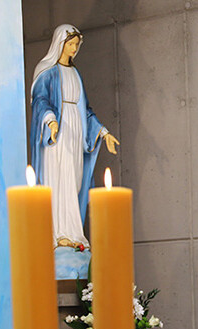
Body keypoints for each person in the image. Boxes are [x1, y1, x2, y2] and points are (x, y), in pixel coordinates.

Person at [30, 24, 119, 249]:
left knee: (74, 180)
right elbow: (40, 99)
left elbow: (86, 110)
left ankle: (74, 232)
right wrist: (50, 120)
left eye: (76, 45)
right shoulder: (47, 70)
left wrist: (104, 133)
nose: (74, 48)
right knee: (59, 179)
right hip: (56, 133)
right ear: (59, 44)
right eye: (70, 44)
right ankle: (58, 233)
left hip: (75, 130)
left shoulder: (75, 74)